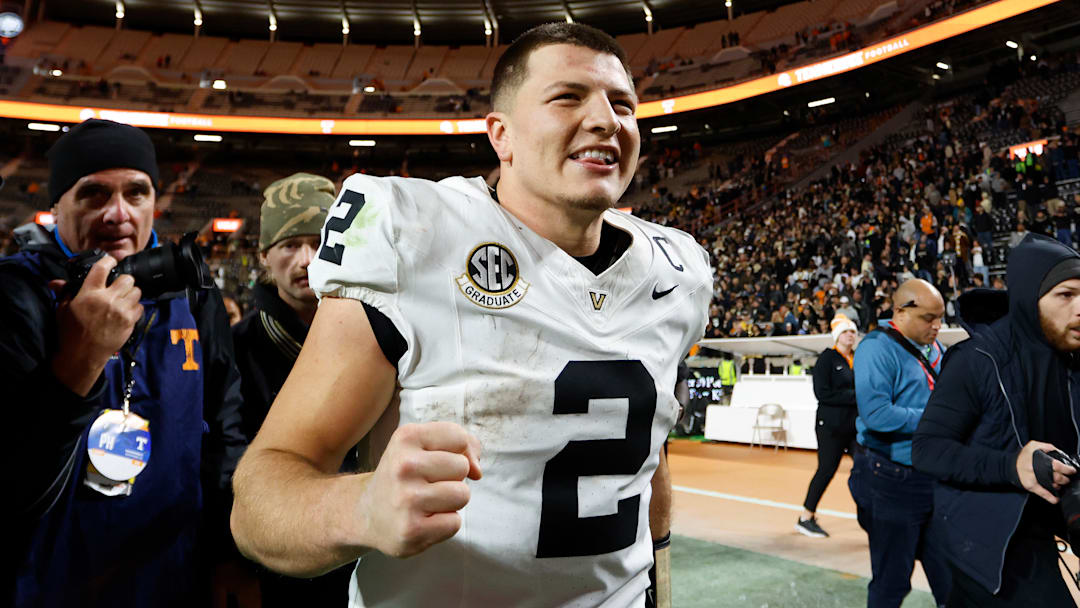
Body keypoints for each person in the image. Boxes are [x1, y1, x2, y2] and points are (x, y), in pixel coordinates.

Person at [230, 22, 712, 608]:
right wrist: (359, 509)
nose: (607, 120)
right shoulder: (418, 236)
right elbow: (260, 497)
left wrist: (659, 566)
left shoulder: (675, 269)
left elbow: (648, 449)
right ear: (501, 135)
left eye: (623, 105)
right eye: (568, 96)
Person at [4, 118, 245, 607]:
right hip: (49, 583)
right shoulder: (17, 296)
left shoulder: (195, 295)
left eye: (136, 194)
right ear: (57, 207)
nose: (118, 214)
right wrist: (82, 357)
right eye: (94, 194)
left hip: (175, 577)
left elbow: (225, 433)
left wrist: (229, 552)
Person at [913, 234, 1080, 607]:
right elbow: (927, 450)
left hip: (1046, 525)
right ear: (1029, 298)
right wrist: (1012, 466)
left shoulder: (1073, 358)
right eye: (1066, 295)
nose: (1079, 307)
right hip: (987, 540)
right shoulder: (978, 360)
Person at [230, 173, 353, 606]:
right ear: (265, 257)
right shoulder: (236, 348)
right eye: (289, 246)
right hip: (279, 561)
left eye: (319, 243)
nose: (306, 260)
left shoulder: (378, 333)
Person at [851, 278, 951, 607]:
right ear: (900, 312)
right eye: (928, 318)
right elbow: (877, 415)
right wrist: (938, 417)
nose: (937, 325)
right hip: (892, 478)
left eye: (940, 317)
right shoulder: (876, 347)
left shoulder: (936, 348)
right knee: (893, 580)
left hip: (933, 475)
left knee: (951, 576)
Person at [797, 315, 858, 538]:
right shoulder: (827, 359)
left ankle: (871, 516)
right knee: (826, 470)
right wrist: (855, 396)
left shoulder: (858, 359)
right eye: (845, 331)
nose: (850, 335)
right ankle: (806, 516)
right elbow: (822, 393)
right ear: (837, 336)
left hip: (854, 426)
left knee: (865, 467)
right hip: (830, 426)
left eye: (852, 331)